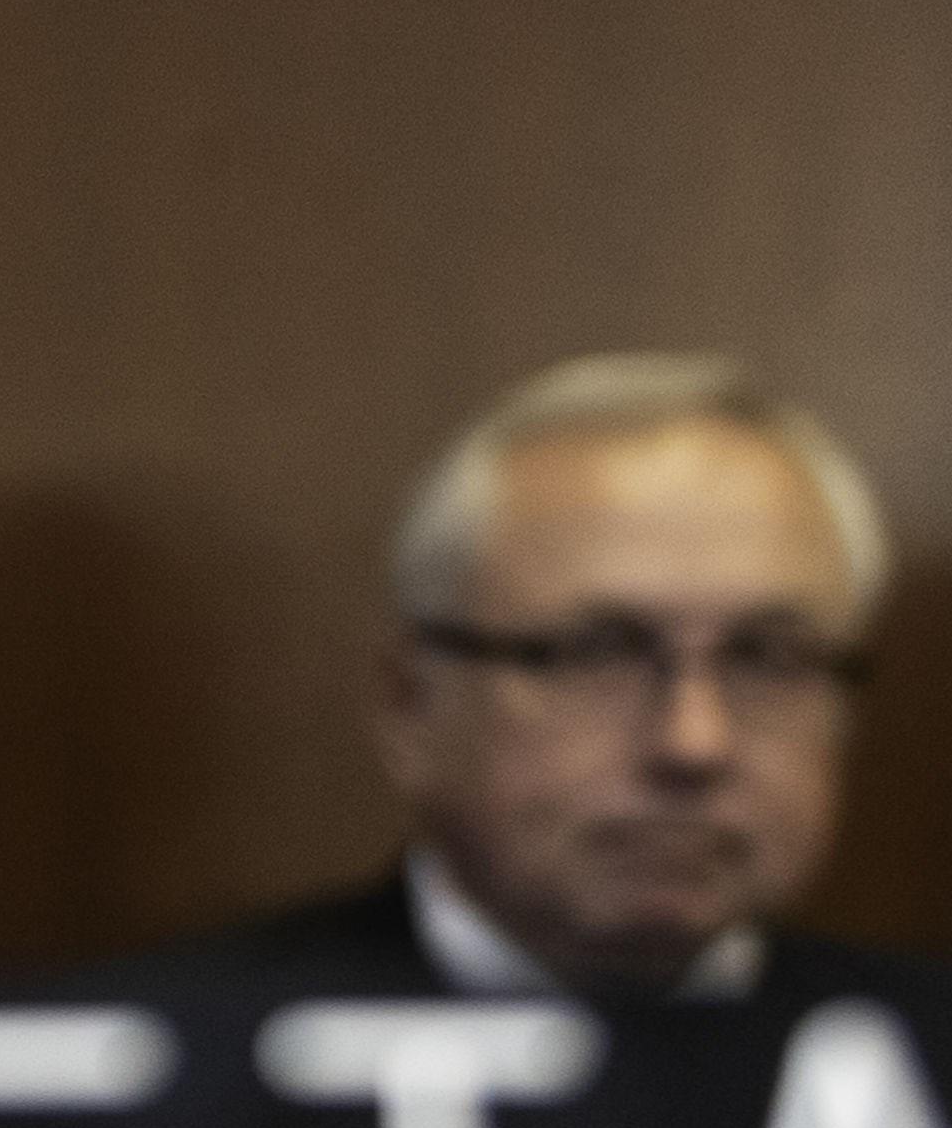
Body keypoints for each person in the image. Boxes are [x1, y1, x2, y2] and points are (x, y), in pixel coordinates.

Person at [184, 353, 886, 1002]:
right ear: (411, 705)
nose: (693, 744)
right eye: (597, 653)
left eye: (766, 658)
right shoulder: (152, 1090)